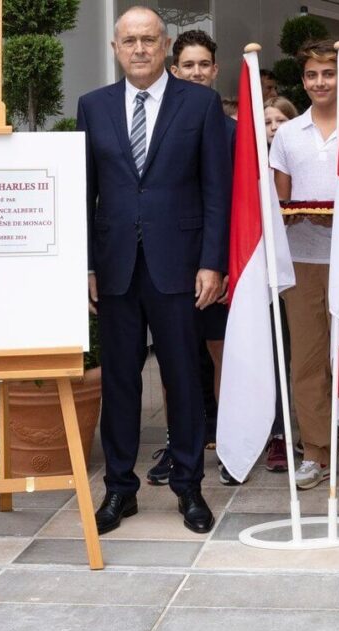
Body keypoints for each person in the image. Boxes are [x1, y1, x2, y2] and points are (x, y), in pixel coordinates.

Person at [78, 6, 231, 535]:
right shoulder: (93, 106)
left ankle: (190, 486)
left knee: (183, 378)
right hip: (116, 268)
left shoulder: (202, 104)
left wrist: (214, 261)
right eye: (129, 41)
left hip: (181, 267)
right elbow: (85, 191)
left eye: (149, 40)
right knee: (119, 380)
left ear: (164, 45)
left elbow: (217, 191)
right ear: (115, 49)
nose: (139, 49)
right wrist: (88, 265)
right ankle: (120, 489)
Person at [270, 39, 339, 493]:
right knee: (309, 360)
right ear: (303, 82)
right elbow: (280, 201)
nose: (320, 82)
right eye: (312, 75)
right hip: (303, 260)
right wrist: (289, 212)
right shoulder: (288, 134)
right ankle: (315, 451)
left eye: (329, 73)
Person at [147, 29, 236, 485]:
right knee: (174, 359)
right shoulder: (155, 123)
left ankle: (227, 443)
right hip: (170, 266)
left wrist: (224, 262)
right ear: (174, 70)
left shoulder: (235, 132)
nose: (197, 72)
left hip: (218, 261)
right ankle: (180, 441)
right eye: (189, 66)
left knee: (221, 355)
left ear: (215, 70)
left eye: (205, 65)